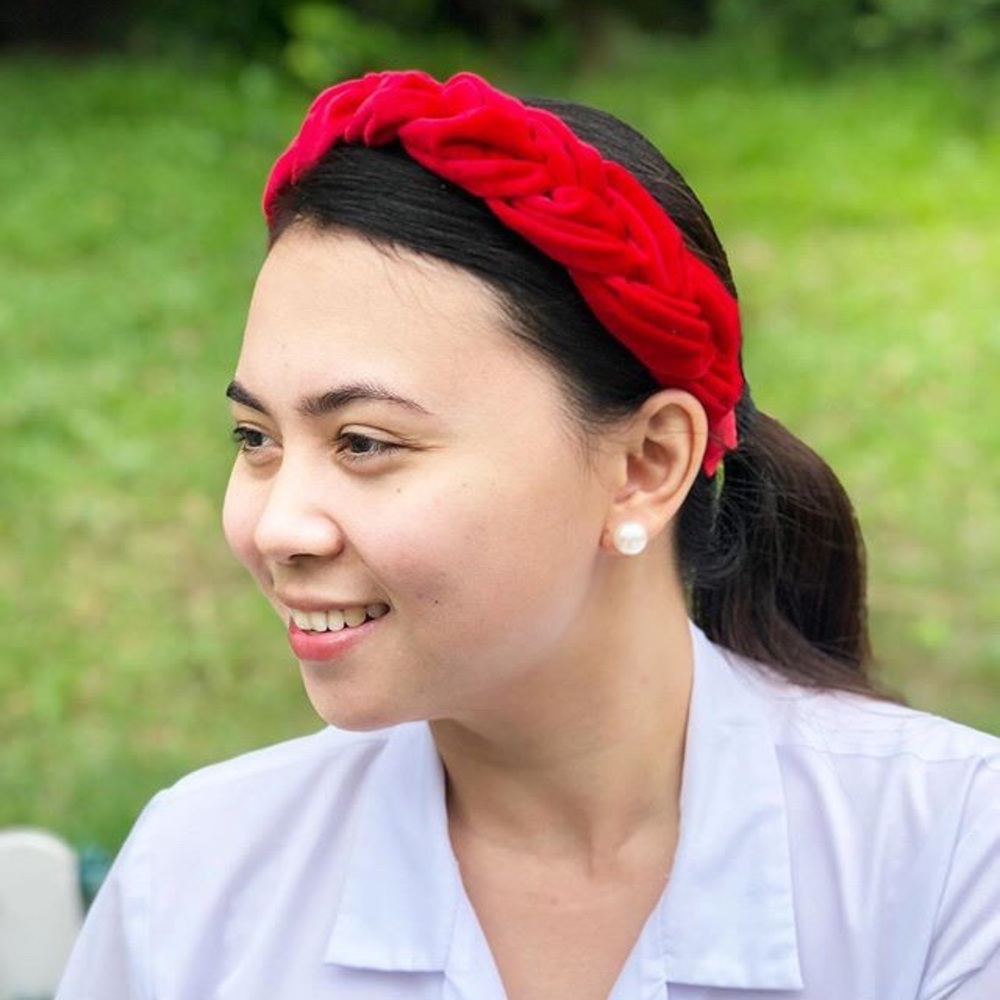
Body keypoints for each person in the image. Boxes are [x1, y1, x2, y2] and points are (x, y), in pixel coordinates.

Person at [56, 69, 999, 1000]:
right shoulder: (197, 880)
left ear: (646, 466)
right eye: (256, 438)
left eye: (366, 442)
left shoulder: (950, 857)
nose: (276, 525)